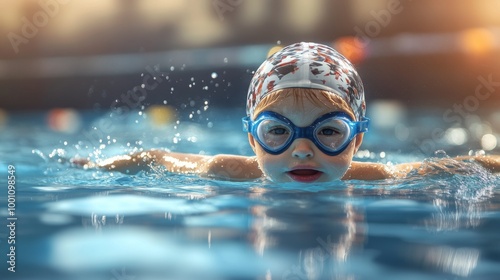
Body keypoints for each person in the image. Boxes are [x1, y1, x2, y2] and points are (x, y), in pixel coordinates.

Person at [72, 42, 500, 182]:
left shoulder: (372, 178)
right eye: (277, 132)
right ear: (250, 137)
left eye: (329, 132)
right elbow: (157, 157)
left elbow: (454, 168)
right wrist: (99, 165)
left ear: (359, 137)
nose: (301, 151)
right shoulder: (230, 169)